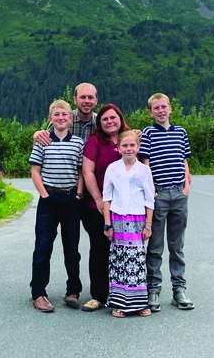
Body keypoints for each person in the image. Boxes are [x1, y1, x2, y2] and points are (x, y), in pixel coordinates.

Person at [138, 93, 194, 312]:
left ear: (170, 108)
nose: (160, 111)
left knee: (177, 245)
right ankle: (153, 289)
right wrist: (152, 191)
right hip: (159, 194)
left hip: (179, 193)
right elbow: (146, 162)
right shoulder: (149, 133)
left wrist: (186, 186)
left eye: (164, 107)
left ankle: (179, 290)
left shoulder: (181, 132)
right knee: (155, 245)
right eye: (156, 108)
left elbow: (183, 158)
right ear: (151, 112)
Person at [29, 99, 85, 312]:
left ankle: (73, 291)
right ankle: (38, 293)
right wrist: (44, 195)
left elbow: (80, 171)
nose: (61, 118)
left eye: (64, 115)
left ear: (71, 118)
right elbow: (35, 171)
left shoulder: (78, 143)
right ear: (50, 118)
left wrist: (79, 194)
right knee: (43, 247)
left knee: (72, 247)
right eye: (56, 115)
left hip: (71, 199)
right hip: (49, 199)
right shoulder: (43, 141)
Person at [80, 103, 133, 312]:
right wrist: (99, 199)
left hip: (127, 207)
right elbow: (88, 172)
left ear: (120, 118)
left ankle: (126, 292)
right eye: (105, 119)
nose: (110, 122)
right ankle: (99, 295)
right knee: (99, 249)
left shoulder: (129, 139)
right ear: (99, 123)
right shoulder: (94, 142)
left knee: (127, 249)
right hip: (97, 206)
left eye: (113, 118)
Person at [102, 131, 155, 318]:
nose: (129, 149)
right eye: (125, 145)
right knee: (119, 259)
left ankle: (140, 303)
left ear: (138, 148)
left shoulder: (144, 170)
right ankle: (120, 303)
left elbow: (150, 199)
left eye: (132, 145)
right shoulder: (112, 169)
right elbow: (106, 198)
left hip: (137, 220)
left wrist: (148, 225)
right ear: (118, 148)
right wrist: (107, 224)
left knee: (137, 260)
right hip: (117, 219)